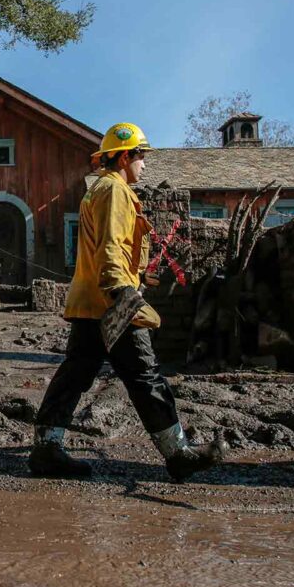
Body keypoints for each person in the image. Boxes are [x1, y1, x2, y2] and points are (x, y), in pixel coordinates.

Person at [29, 122, 227, 482]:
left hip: (93, 300)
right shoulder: (115, 192)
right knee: (145, 375)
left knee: (76, 373)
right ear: (124, 157)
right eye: (141, 157)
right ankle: (177, 452)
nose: (145, 165)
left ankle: (46, 446)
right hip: (112, 303)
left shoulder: (102, 189)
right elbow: (111, 245)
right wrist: (123, 290)